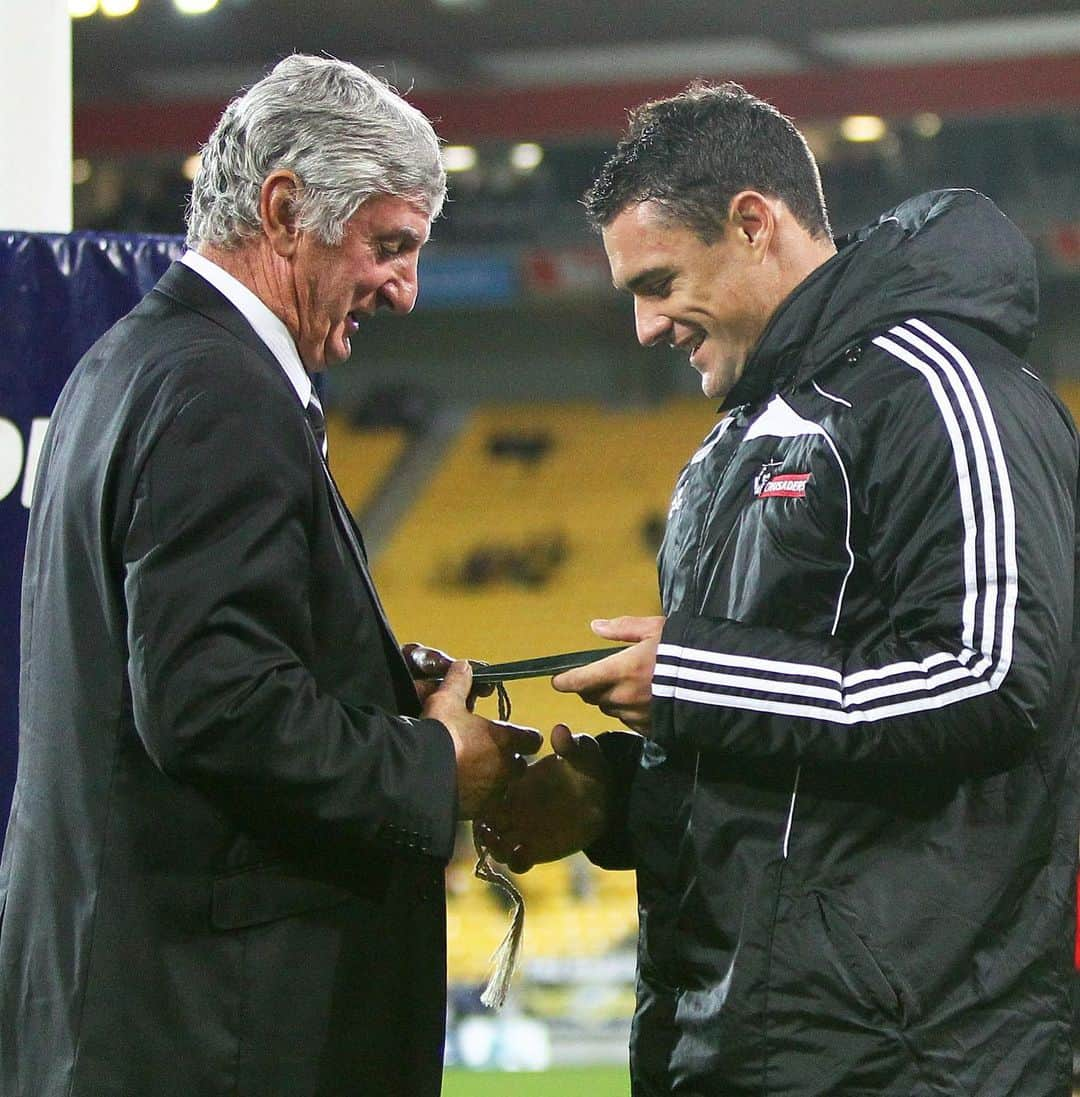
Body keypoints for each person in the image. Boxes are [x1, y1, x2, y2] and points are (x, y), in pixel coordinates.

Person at [481, 83, 1080, 1095]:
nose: (642, 326)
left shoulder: (945, 387)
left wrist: (697, 677)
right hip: (741, 1044)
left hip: (913, 1057)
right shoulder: (737, 439)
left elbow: (991, 678)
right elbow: (789, 769)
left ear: (755, 224)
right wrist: (616, 800)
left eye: (659, 279)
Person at [0, 55, 541, 1097]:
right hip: (214, 1034)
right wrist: (435, 763)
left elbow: (182, 662)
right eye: (389, 245)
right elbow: (212, 703)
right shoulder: (220, 389)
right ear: (286, 207)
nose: (405, 289)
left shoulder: (128, 364)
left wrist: (377, 689)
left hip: (131, 1013)